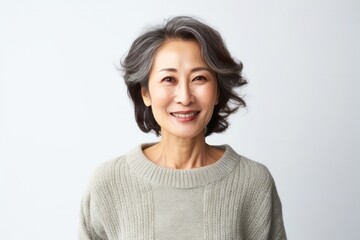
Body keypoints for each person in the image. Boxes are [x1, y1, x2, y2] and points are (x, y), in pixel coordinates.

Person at [79, 16, 286, 240]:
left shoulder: (253, 181)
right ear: (145, 93)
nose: (185, 97)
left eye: (199, 78)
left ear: (217, 91)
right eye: (169, 79)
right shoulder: (108, 183)